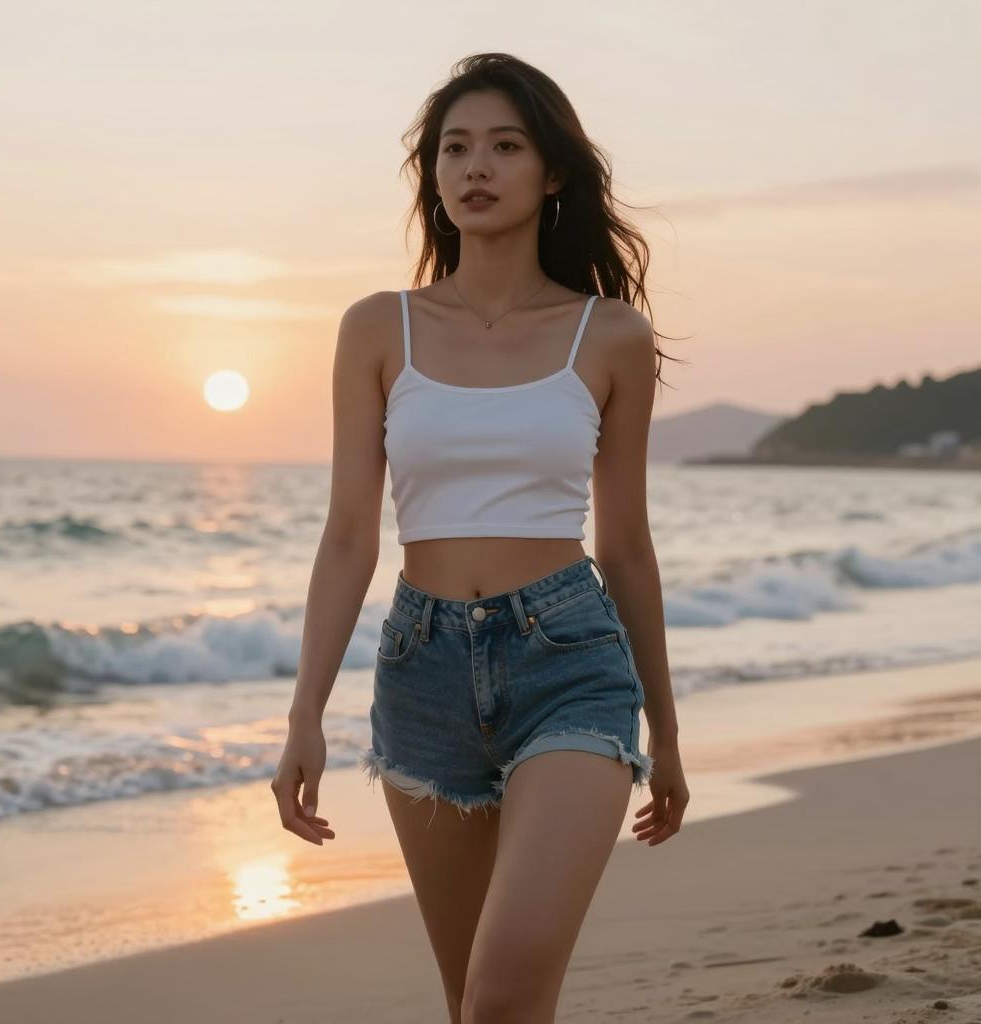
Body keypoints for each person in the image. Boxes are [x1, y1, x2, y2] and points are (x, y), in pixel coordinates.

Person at [272, 51, 688, 1024]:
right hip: (421, 671)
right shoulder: (379, 328)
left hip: (570, 664)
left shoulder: (609, 334)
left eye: (505, 145)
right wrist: (303, 714)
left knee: (502, 995)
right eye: (454, 148)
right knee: (472, 1005)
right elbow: (346, 537)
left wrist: (665, 733)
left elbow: (625, 544)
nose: (476, 166)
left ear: (551, 174)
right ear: (432, 175)